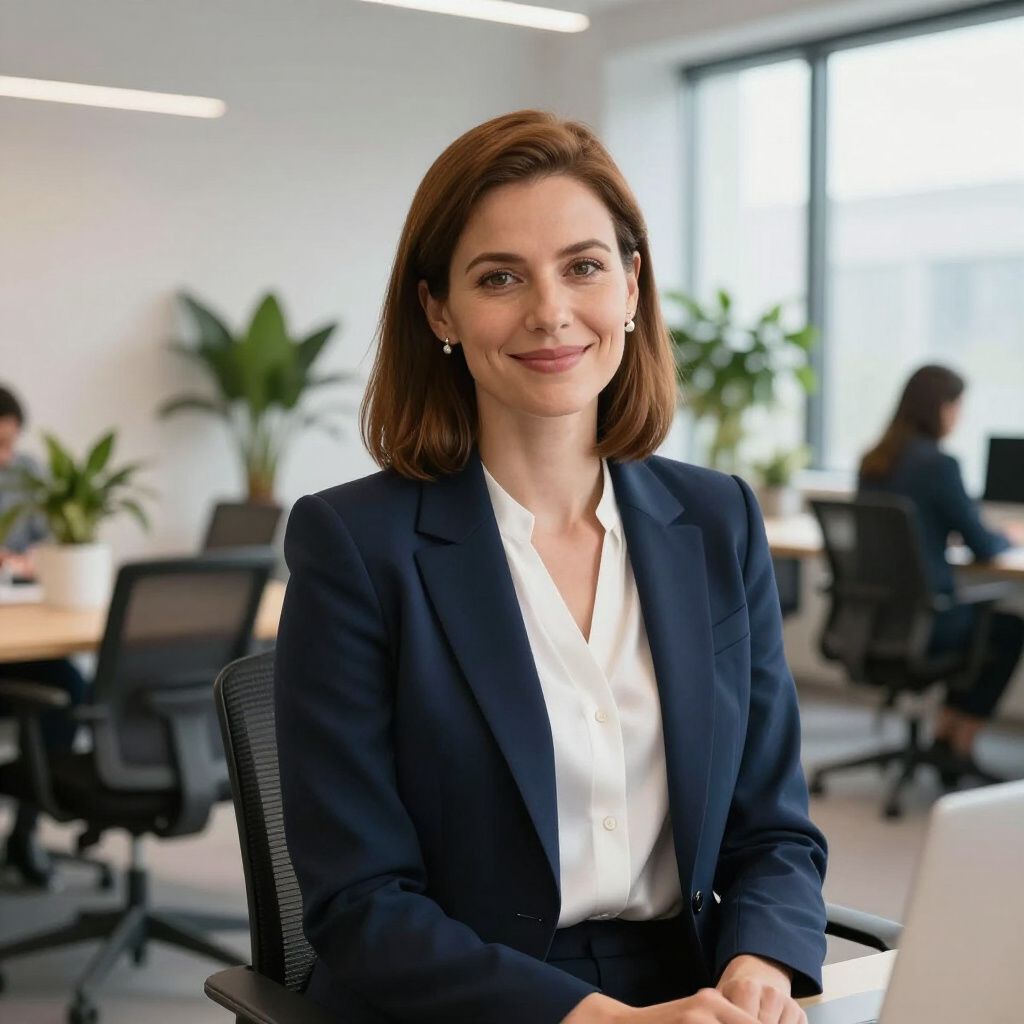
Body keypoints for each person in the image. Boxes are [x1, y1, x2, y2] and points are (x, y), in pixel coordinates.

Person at [275, 111, 827, 1024]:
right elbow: (360, 902)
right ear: (438, 310)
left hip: (688, 990)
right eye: (501, 277)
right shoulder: (355, 547)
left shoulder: (718, 520)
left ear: (632, 285)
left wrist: (759, 968)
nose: (551, 312)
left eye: (584, 266)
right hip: (463, 1003)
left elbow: (773, 830)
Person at [859, 364, 1024, 779]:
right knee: (1006, 628)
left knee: (982, 629)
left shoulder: (874, 460)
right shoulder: (938, 464)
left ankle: (945, 734)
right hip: (928, 619)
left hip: (877, 619)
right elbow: (983, 544)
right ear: (942, 409)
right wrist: (1011, 534)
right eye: (957, 407)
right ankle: (959, 740)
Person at [0, 384, 88, 887]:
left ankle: (25, 829)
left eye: (12, 443)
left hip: (23, 628)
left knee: (70, 687)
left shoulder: (31, 475)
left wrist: (35, 561)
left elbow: (56, 537)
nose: (7, 456)